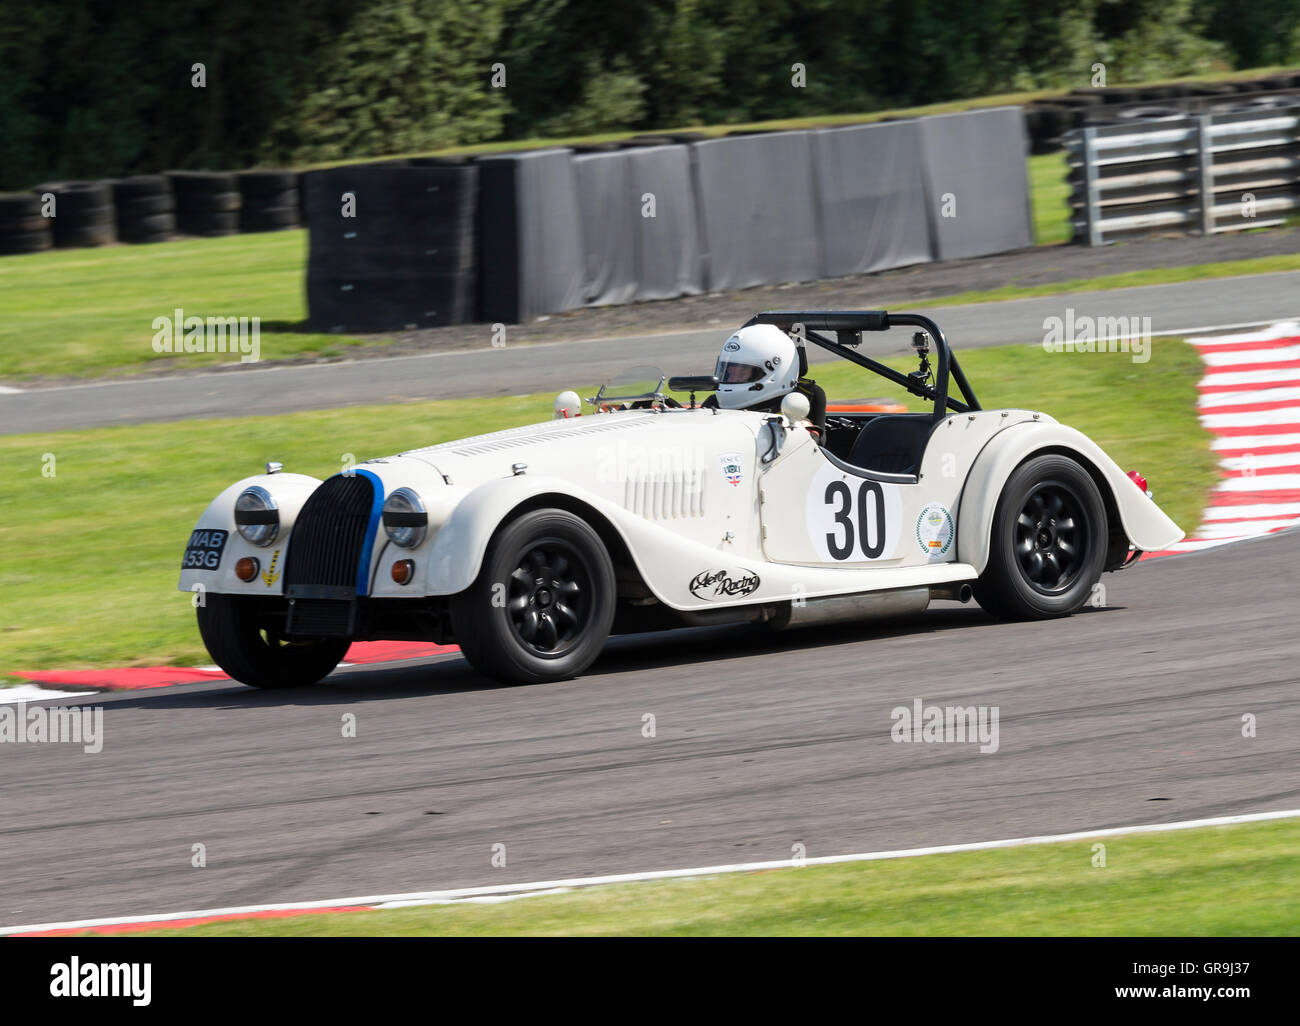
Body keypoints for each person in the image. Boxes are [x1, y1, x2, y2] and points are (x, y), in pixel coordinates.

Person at [705, 324, 827, 437]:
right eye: (728, 372)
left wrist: (802, 432)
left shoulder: (807, 398)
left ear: (775, 370)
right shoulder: (713, 404)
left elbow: (817, 449)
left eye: (742, 372)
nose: (731, 378)